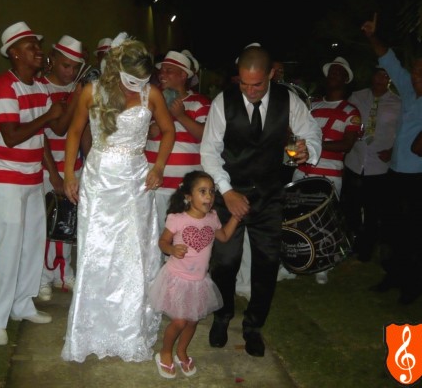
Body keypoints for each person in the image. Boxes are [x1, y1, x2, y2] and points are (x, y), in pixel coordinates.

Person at [61, 32, 175, 363]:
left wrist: (159, 166)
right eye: (129, 80)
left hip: (136, 181)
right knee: (97, 252)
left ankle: (129, 330)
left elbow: (168, 131)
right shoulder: (91, 92)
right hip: (99, 180)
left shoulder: (151, 93)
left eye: (141, 80)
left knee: (133, 254)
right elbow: (74, 132)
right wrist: (70, 174)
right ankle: (90, 331)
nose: (135, 87)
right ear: (115, 68)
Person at [200, 45, 322, 357]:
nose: (250, 91)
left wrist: (310, 149)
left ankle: (254, 325)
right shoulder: (222, 102)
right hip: (231, 194)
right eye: (244, 83)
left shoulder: (288, 99)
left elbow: (311, 131)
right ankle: (223, 315)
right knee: (225, 263)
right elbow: (209, 151)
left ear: (271, 74)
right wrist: (226, 190)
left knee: (267, 264)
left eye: (257, 84)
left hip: (270, 196)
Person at [0, 21, 70, 345]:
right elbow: (12, 136)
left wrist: (54, 174)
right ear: (14, 53)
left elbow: (50, 135)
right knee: (8, 248)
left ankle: (21, 304)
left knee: (33, 243)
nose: (39, 52)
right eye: (32, 47)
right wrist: (49, 117)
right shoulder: (5, 87)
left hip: (33, 177)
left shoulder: (40, 88)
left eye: (38, 46)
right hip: (5, 179)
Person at [148, 170, 240, 378]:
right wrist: (171, 249)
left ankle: (182, 351)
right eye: (202, 191)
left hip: (199, 281)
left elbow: (224, 236)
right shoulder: (178, 219)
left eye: (212, 192)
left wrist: (236, 217)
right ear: (188, 196)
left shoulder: (212, 218)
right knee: (180, 321)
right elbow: (163, 242)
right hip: (177, 279)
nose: (209, 196)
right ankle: (164, 351)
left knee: (192, 320)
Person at [361, 13, 422, 304]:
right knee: (394, 228)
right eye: (416, 71)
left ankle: (412, 285)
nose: (416, 76)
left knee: (414, 233)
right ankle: (393, 275)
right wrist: (373, 35)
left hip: (418, 177)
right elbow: (389, 61)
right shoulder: (409, 91)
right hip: (395, 171)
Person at [288, 56, 361, 284]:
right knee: (294, 220)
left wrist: (313, 148)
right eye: (331, 72)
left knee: (325, 223)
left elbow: (347, 144)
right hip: (302, 171)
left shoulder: (351, 111)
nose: (333, 76)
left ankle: (323, 265)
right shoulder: (313, 105)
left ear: (346, 80)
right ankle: (292, 264)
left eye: (339, 73)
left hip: (329, 174)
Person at [37, 35, 85, 301]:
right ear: (52, 60)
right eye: (65, 65)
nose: (70, 72)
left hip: (73, 166)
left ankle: (64, 273)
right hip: (47, 167)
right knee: (47, 222)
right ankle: (43, 277)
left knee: (67, 221)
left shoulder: (78, 89)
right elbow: (51, 131)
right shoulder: (40, 87)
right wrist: (54, 173)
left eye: (75, 68)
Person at [145, 50, 211, 233]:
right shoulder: (152, 101)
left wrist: (180, 116)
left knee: (182, 238)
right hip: (153, 185)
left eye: (168, 70)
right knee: (154, 239)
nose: (162, 74)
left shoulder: (199, 102)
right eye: (161, 70)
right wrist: (148, 132)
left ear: (183, 75)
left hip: (184, 188)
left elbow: (206, 136)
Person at [341, 66, 401, 262]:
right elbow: (345, 120)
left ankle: (366, 249)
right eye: (378, 73)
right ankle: (352, 243)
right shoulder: (357, 97)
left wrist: (393, 151)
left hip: (379, 165)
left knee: (373, 210)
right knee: (351, 206)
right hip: (355, 160)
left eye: (386, 75)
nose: (381, 78)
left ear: (390, 79)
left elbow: (401, 132)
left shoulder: (398, 103)